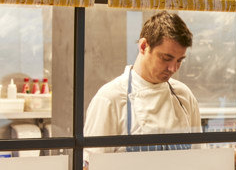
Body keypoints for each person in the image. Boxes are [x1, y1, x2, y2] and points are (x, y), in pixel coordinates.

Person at [84, 10, 201, 160]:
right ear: (144, 46)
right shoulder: (109, 99)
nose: (173, 68)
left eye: (179, 60)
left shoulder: (183, 96)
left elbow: (199, 160)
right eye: (166, 58)